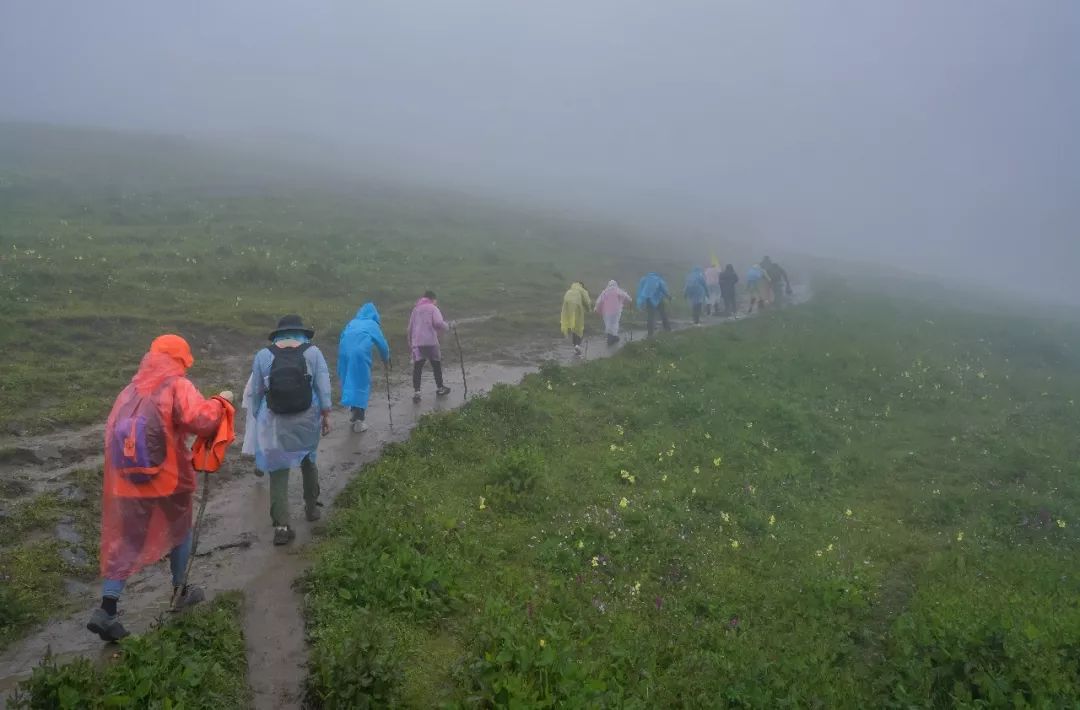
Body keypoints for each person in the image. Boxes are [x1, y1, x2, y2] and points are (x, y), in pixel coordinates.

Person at [89, 334, 233, 642]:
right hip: (169, 480)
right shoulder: (177, 386)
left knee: (128, 540)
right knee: (180, 530)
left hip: (128, 481)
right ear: (181, 359)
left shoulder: (129, 391)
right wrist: (221, 402)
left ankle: (107, 608)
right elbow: (202, 421)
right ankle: (181, 590)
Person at [248, 315, 332, 546]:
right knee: (308, 459)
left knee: (278, 470)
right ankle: (312, 508)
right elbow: (323, 387)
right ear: (301, 332)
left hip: (274, 420)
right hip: (307, 418)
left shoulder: (263, 355)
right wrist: (326, 414)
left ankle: (282, 527)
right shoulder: (313, 353)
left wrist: (259, 416)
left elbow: (256, 392)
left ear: (279, 334)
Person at [338, 302, 390, 433]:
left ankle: (354, 413)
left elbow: (342, 336)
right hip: (359, 354)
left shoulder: (353, 322)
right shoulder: (372, 324)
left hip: (344, 352)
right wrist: (386, 358)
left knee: (349, 382)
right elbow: (382, 344)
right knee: (361, 383)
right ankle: (359, 422)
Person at [408, 290, 452, 402]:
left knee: (418, 367)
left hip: (418, 343)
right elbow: (438, 323)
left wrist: (411, 343)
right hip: (431, 342)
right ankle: (440, 388)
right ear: (433, 299)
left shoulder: (416, 309)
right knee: (436, 365)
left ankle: (417, 393)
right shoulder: (433, 308)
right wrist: (448, 327)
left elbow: (410, 327)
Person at [594, 280, 632, 346]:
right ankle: (613, 337)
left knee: (608, 323)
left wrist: (596, 309)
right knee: (615, 323)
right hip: (616, 310)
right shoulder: (617, 290)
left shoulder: (605, 292)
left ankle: (611, 337)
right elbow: (626, 296)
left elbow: (599, 301)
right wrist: (630, 300)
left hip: (606, 311)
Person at [560, 281, 593, 355]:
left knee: (573, 328)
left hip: (567, 311)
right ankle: (578, 345)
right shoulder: (581, 290)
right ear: (582, 285)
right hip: (577, 310)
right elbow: (587, 301)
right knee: (579, 328)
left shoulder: (569, 291)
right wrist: (588, 309)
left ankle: (575, 346)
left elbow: (565, 303)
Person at [636, 272, 672, 337]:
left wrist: (640, 302)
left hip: (649, 300)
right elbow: (663, 289)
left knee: (650, 316)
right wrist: (668, 297)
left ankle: (650, 333)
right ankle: (667, 329)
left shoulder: (644, 280)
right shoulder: (658, 279)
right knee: (663, 314)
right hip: (659, 300)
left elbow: (640, 290)